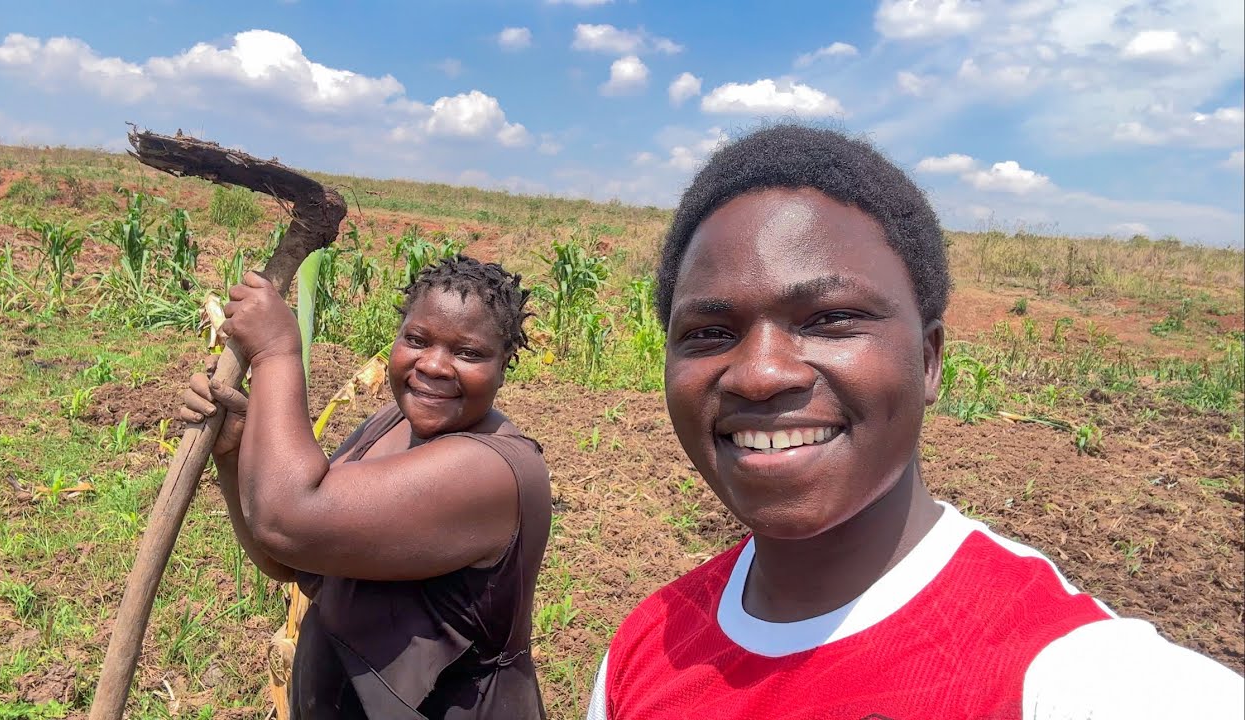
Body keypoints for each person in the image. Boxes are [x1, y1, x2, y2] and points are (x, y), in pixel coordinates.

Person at [586, 125, 1244, 720]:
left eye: (828, 319)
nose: (759, 373)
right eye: (709, 332)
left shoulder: (1061, 676)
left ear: (928, 361)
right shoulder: (643, 651)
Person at [180, 255, 552, 719]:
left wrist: (276, 352)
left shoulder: (491, 470)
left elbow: (288, 519)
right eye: (417, 340)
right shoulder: (389, 424)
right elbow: (289, 559)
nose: (434, 365)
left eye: (468, 353)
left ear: (504, 365)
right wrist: (234, 455)